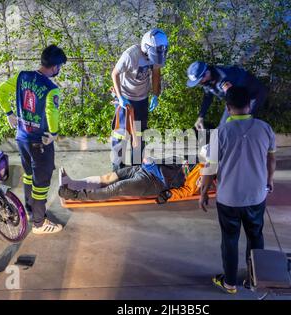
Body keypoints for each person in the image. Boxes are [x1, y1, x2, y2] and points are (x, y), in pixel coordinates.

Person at [199, 86, 276, 294]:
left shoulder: (221, 132)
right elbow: (271, 159)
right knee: (256, 236)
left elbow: (210, 167)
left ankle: (230, 282)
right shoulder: (264, 128)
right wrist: (269, 180)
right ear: (250, 105)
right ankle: (253, 280)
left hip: (228, 198)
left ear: (227, 106)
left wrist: (204, 192)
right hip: (256, 196)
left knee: (230, 239)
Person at [0, 44, 67, 235]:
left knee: (28, 176)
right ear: (55, 66)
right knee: (41, 182)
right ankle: (39, 222)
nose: (59, 70)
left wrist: (9, 113)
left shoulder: (22, 76)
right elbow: (52, 113)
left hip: (22, 138)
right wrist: (54, 133)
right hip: (40, 141)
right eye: (59, 67)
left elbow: (0, 91)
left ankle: (30, 211)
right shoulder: (51, 88)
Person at [111, 29, 169, 169]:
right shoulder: (131, 55)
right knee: (121, 136)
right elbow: (115, 74)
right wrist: (120, 97)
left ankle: (136, 168)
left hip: (142, 99)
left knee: (139, 135)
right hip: (126, 99)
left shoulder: (158, 53)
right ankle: (117, 168)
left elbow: (156, 73)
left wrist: (155, 94)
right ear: (146, 47)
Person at [58, 156, 205, 202]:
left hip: (152, 182)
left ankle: (76, 195)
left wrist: (168, 195)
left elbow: (188, 190)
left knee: (116, 188)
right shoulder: (195, 157)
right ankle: (72, 184)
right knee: (109, 177)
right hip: (143, 168)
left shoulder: (203, 172)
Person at [186, 61, 268, 130]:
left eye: (199, 81)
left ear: (207, 73)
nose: (199, 83)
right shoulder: (206, 81)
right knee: (225, 126)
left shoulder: (224, 79)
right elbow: (208, 97)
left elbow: (234, 102)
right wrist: (201, 117)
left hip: (254, 95)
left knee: (238, 123)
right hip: (236, 96)